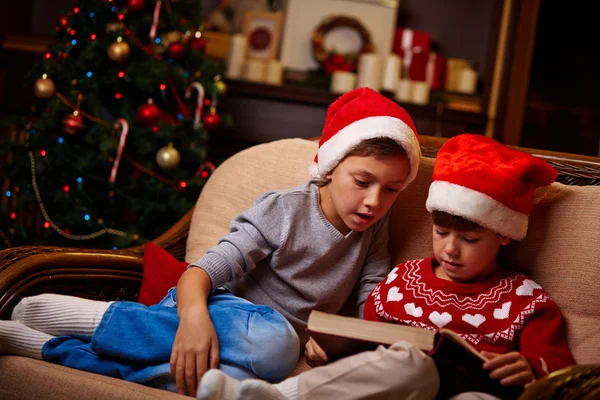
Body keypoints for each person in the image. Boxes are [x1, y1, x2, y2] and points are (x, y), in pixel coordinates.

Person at [0, 87, 422, 397]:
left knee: (232, 387)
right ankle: (86, 318)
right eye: (363, 182)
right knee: (276, 343)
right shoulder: (285, 210)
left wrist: (352, 339)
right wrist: (195, 318)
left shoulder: (373, 228)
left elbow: (373, 295)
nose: (374, 202)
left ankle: (50, 348)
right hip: (223, 315)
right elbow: (199, 272)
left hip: (257, 355)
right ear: (331, 167)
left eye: (392, 190)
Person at [195, 134, 576, 400]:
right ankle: (280, 397)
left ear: (504, 236)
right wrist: (326, 347)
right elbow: (364, 348)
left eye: (471, 241)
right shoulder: (403, 283)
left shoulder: (525, 299)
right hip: (402, 389)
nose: (451, 249)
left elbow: (564, 371)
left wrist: (532, 367)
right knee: (414, 365)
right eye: (441, 232)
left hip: (479, 391)